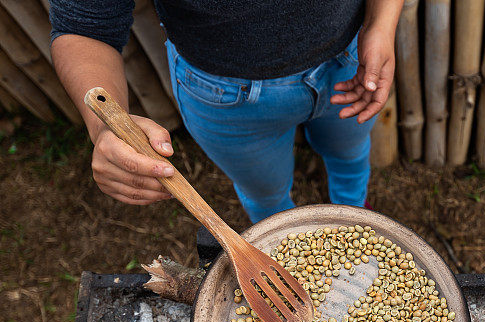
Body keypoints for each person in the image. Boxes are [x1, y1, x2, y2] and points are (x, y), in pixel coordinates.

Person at [50, 1, 403, 222]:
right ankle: (282, 242)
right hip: (225, 97)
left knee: (351, 153)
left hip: (350, 63)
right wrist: (106, 128)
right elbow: (83, 27)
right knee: (266, 193)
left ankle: (355, 211)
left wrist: (381, 24)